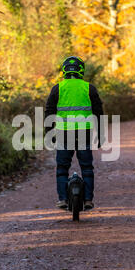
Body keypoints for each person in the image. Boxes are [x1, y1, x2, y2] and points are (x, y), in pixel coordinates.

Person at [45, 56, 104, 210]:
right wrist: (101, 134)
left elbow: (49, 111)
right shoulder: (89, 88)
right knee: (87, 168)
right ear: (81, 70)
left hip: (64, 133)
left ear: (64, 70)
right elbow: (98, 113)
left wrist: (48, 133)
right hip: (84, 132)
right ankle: (88, 200)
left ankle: (63, 199)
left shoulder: (58, 88)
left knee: (62, 168)